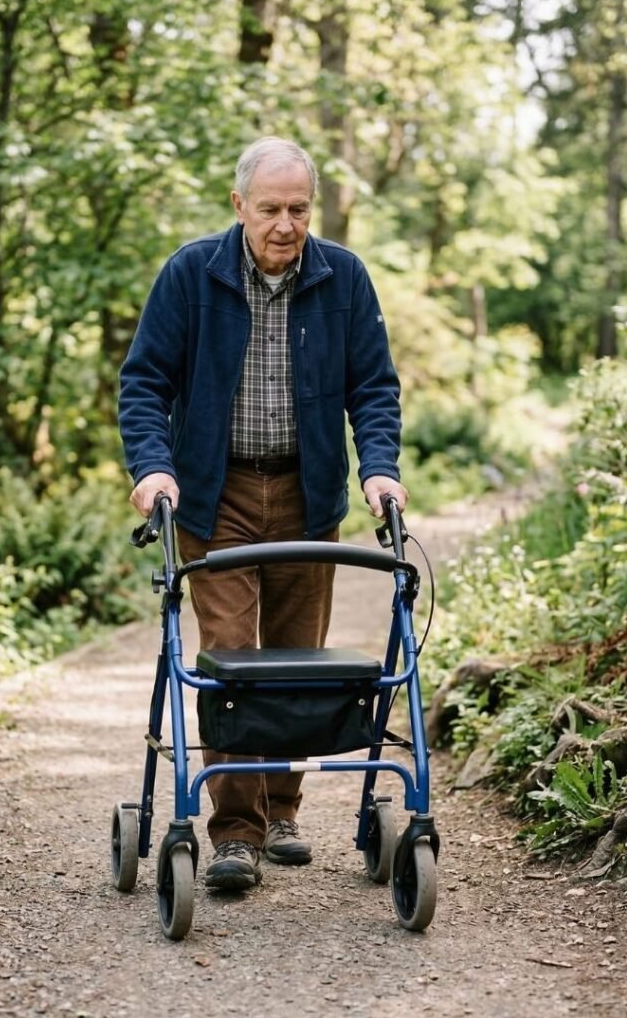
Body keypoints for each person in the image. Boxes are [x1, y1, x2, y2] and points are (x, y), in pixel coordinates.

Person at [118, 136, 407, 892]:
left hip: (309, 496)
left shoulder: (344, 277)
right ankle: (235, 834)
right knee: (229, 661)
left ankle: (283, 810)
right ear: (239, 204)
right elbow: (144, 381)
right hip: (216, 495)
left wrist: (379, 470)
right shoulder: (191, 275)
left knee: (296, 661)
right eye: (271, 208)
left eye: (299, 208)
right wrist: (152, 468)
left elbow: (374, 387)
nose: (286, 224)